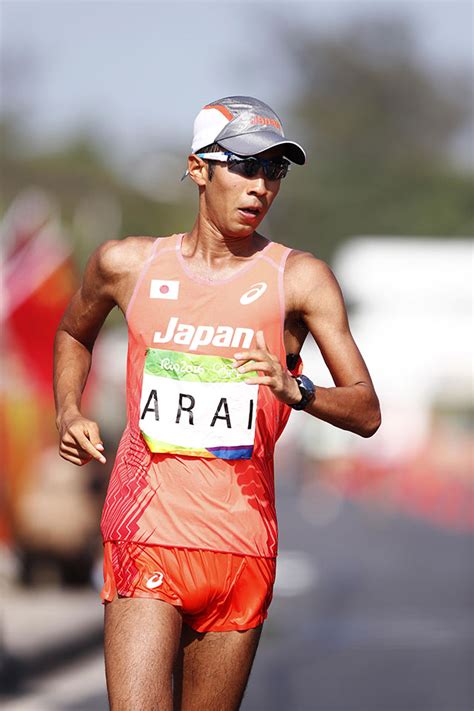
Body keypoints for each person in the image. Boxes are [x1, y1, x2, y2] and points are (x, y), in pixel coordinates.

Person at [54, 96, 381, 711]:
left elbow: (366, 410)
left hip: (241, 545)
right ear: (200, 168)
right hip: (145, 530)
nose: (261, 187)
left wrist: (298, 391)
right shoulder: (127, 264)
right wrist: (68, 409)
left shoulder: (300, 279)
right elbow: (74, 332)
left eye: (274, 171)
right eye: (245, 166)